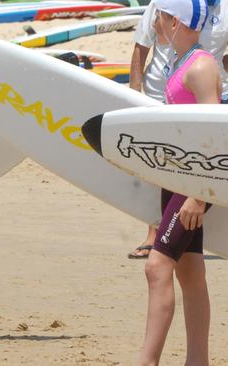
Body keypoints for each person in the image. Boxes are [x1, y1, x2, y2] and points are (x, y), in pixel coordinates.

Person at [137, 0, 219, 364]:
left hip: (193, 183)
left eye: (160, 16)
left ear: (175, 20)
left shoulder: (200, 66)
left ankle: (146, 362)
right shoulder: (182, 60)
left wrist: (198, 196)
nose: (155, 22)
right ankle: (197, 361)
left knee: (157, 266)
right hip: (179, 178)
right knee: (189, 267)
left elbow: (215, 136)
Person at [127, 0, 228, 259]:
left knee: (199, 164)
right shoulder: (169, 3)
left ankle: (181, 236)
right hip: (157, 95)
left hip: (202, 96)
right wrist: (130, 97)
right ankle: (156, 232)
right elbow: (141, 46)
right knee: (156, 166)